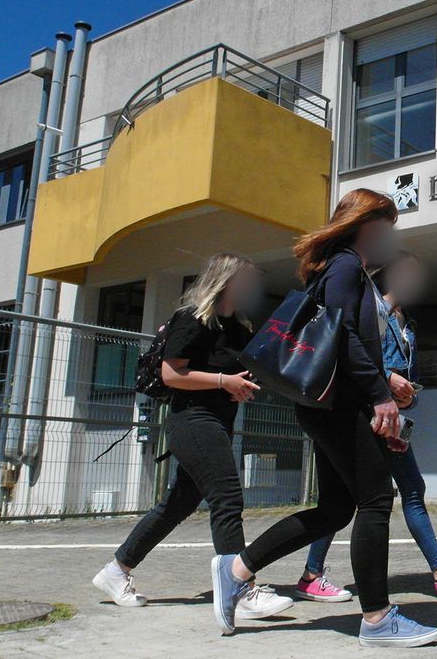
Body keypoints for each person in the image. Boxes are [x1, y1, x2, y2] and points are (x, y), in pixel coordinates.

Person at [209, 189, 437, 648]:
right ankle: (377, 617)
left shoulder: (342, 267)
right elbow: (343, 333)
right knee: (376, 499)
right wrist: (380, 396)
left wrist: (381, 392)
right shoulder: (346, 265)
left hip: (332, 405)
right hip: (339, 406)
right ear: (365, 225)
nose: (390, 237)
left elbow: (346, 340)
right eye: (386, 227)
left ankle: (236, 569)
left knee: (336, 508)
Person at [92, 252, 292, 621]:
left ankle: (116, 571)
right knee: (227, 497)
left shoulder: (239, 327)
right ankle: (240, 589)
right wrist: (223, 381)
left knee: (178, 504)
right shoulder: (193, 318)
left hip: (218, 420)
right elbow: (171, 374)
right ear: (226, 280)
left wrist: (241, 387)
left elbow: (238, 375)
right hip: (192, 420)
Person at [296, 250, 437, 604]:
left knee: (350, 498)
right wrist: (387, 381)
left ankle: (312, 574)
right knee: (392, 492)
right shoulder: (373, 310)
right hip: (367, 414)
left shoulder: (407, 324)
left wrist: (407, 397)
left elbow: (406, 379)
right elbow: (355, 356)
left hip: (388, 415)